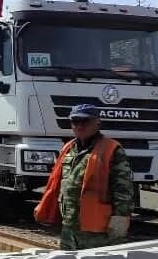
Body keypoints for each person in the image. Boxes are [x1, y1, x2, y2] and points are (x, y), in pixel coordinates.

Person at [34, 104, 135, 250]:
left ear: (97, 123)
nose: (80, 126)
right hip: (69, 229)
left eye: (85, 121)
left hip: (99, 232)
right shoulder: (68, 148)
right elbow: (57, 184)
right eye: (75, 122)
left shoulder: (112, 149)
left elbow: (123, 189)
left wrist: (120, 218)